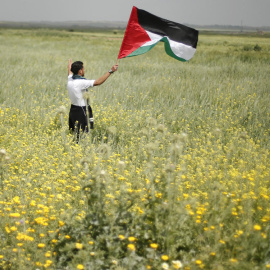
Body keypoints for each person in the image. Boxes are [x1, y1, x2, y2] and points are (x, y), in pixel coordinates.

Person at [67, 59, 118, 139]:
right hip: (81, 111)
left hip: (73, 110)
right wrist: (110, 71)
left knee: (75, 133)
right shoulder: (81, 83)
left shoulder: (70, 80)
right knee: (83, 134)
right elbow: (98, 82)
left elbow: (70, 73)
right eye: (83, 69)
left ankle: (75, 147)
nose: (84, 70)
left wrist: (69, 65)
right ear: (80, 71)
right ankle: (81, 148)